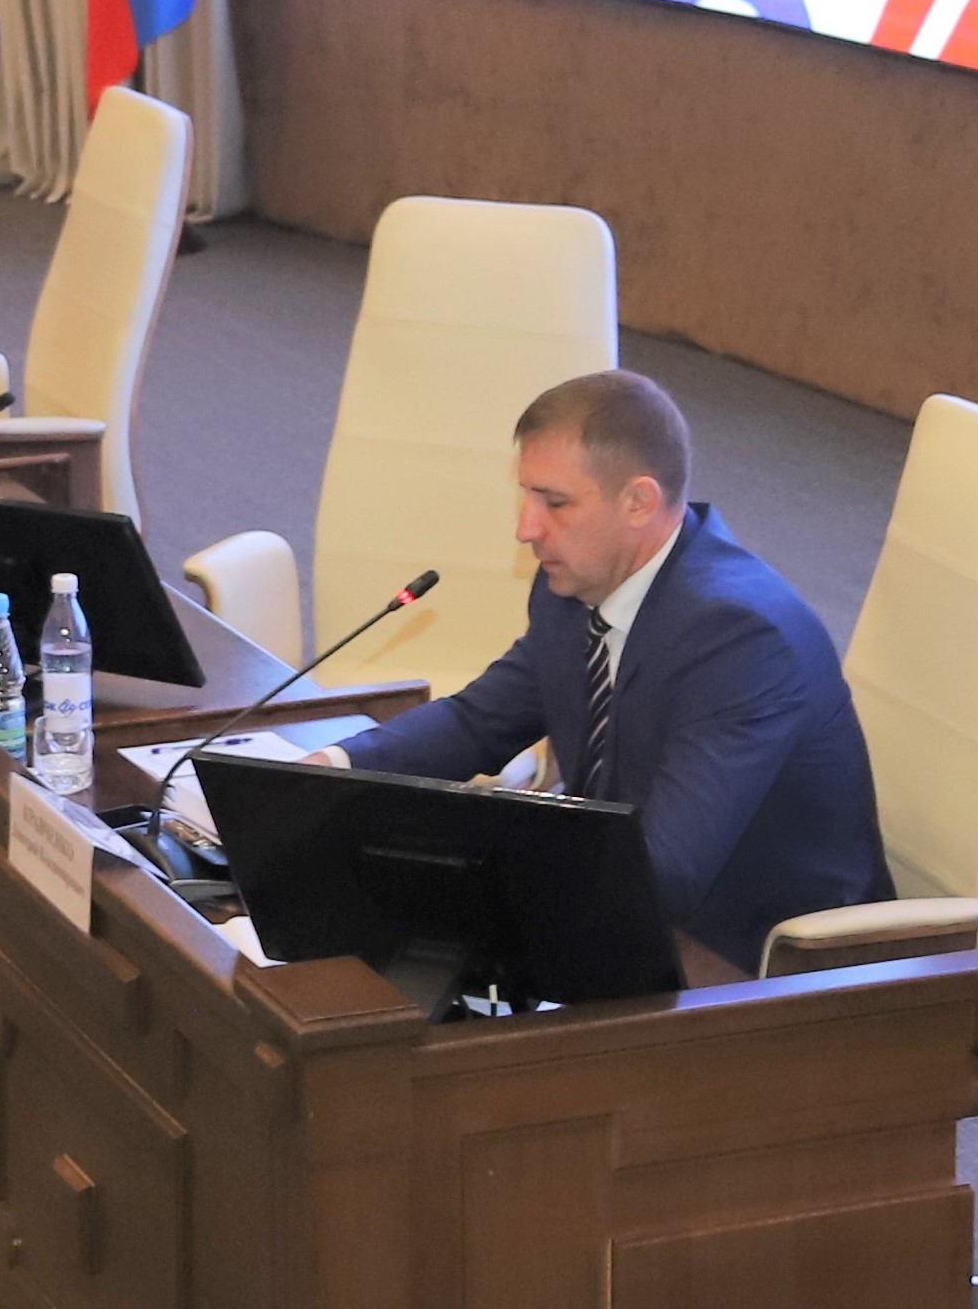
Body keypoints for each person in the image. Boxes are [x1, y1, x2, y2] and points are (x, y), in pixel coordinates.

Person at [337, 369, 892, 970]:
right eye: (526, 496)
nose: (525, 529)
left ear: (638, 502)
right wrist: (330, 769)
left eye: (554, 503)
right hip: (634, 913)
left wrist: (475, 869)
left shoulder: (738, 638)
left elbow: (665, 871)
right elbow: (477, 722)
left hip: (767, 966)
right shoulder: (576, 586)